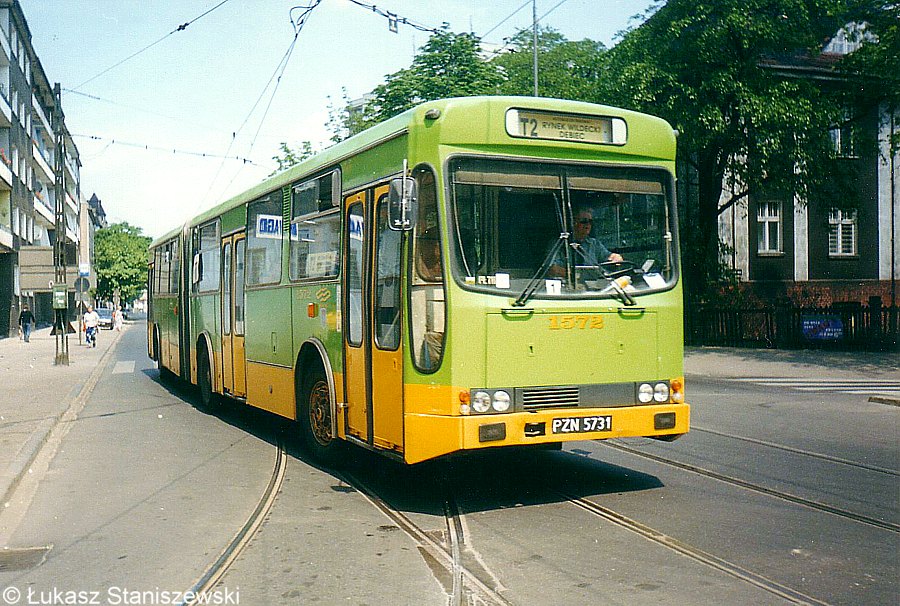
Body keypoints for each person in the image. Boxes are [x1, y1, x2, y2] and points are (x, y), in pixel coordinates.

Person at [548, 206, 623, 278]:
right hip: (568, 288)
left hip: (594, 287)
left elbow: (608, 256)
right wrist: (576, 275)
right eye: (584, 221)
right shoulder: (559, 243)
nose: (588, 225)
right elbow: (553, 269)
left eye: (590, 222)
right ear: (573, 223)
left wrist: (616, 257)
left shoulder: (594, 243)